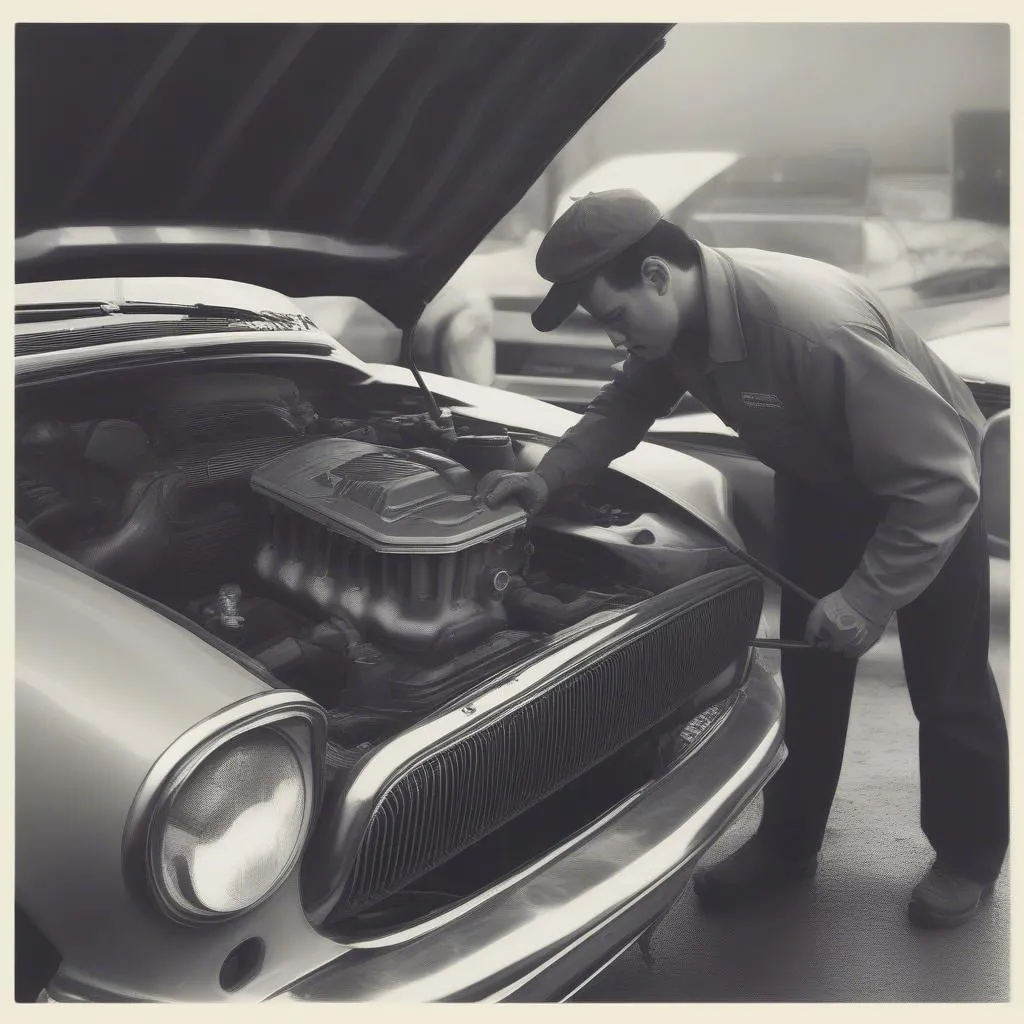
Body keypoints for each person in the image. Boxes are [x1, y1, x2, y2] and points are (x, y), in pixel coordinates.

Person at [475, 189, 1007, 929]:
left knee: (946, 685)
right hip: (823, 486)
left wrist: (865, 598)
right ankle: (787, 845)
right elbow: (625, 404)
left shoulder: (810, 330)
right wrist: (548, 477)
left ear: (658, 274)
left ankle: (967, 857)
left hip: (926, 491)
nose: (617, 340)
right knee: (813, 672)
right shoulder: (678, 326)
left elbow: (942, 479)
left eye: (616, 317)